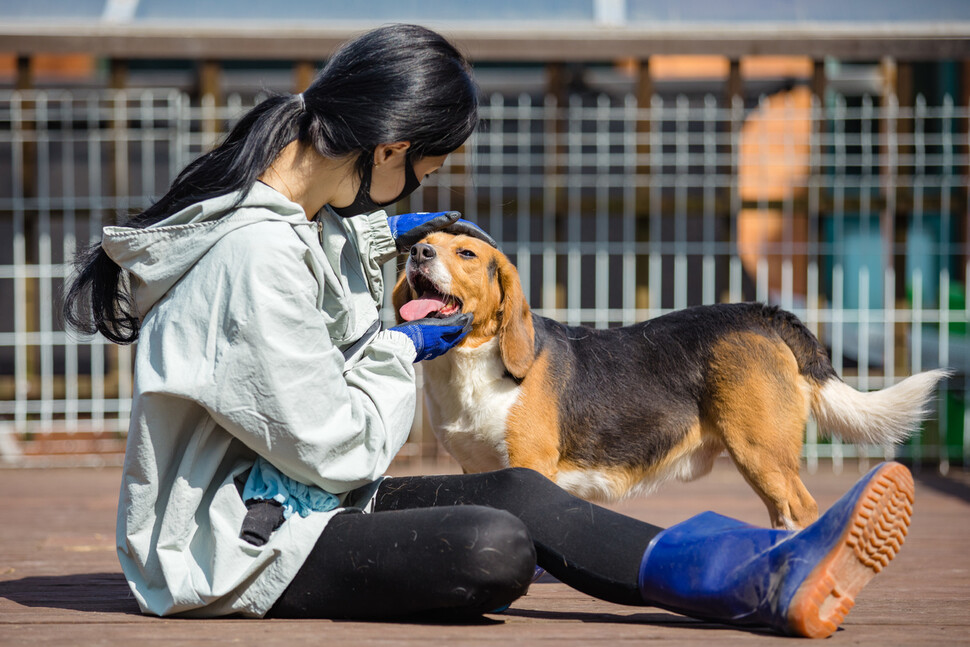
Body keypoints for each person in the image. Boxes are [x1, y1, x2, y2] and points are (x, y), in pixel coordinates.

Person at [63, 24, 914, 638]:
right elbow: (329, 443)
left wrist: (382, 238)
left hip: (296, 509)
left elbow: (319, 267)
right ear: (387, 148)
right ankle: (763, 568)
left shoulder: (291, 224)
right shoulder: (255, 256)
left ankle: (761, 571)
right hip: (231, 552)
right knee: (493, 540)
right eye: (417, 177)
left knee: (521, 491)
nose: (407, 203)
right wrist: (405, 347)